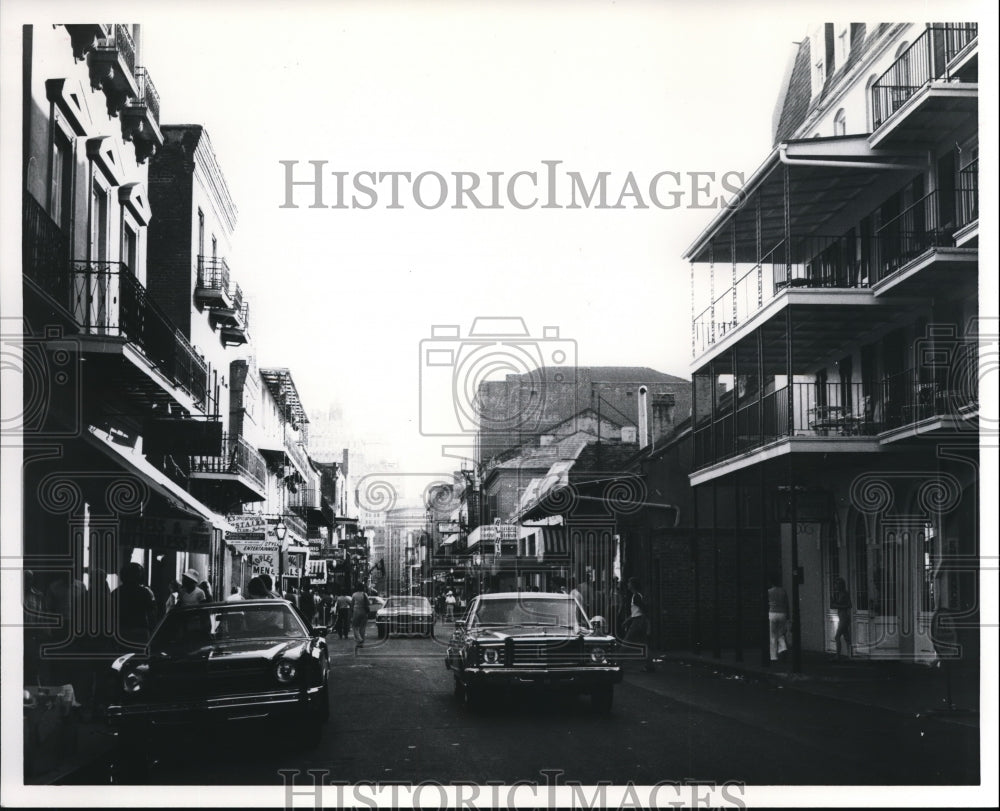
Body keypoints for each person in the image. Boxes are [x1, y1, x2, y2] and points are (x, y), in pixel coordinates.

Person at [113, 562, 157, 648]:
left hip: (121, 631)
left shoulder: (115, 593)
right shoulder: (144, 592)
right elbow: (151, 613)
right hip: (140, 632)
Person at [623, 577, 655, 672]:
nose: (627, 585)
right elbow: (637, 612)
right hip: (640, 621)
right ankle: (650, 666)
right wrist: (627, 620)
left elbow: (643, 610)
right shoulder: (637, 595)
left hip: (638, 622)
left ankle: (617, 662)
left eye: (629, 583)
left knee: (626, 642)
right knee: (643, 645)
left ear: (632, 585)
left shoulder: (636, 596)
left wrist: (648, 623)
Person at [767, 576, 790, 662]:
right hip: (782, 613)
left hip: (772, 613)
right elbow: (787, 604)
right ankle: (783, 647)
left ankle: (773, 656)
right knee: (781, 633)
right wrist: (788, 616)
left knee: (772, 635)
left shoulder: (769, 591)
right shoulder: (783, 591)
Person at [832, 577, 852, 660]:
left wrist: (837, 606)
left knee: (837, 636)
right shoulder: (838, 594)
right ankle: (850, 655)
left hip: (844, 617)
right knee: (846, 636)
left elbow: (849, 605)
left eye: (837, 584)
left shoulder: (845, 594)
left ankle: (838, 655)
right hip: (841, 617)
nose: (835, 586)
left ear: (840, 585)